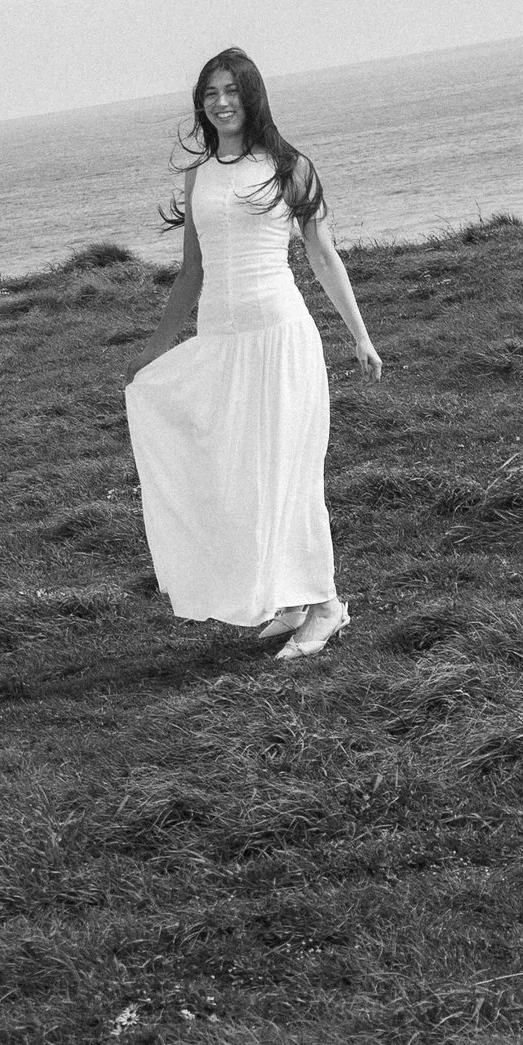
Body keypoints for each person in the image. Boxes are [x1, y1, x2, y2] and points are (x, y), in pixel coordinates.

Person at [127, 45, 381, 658]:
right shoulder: (200, 174)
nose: (221, 103)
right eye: (210, 93)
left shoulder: (290, 166)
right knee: (238, 470)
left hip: (281, 335)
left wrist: (360, 335)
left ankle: (325, 604)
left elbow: (322, 255)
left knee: (292, 469)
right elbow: (192, 271)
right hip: (221, 340)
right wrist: (157, 346)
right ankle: (289, 600)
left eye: (232, 91)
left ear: (252, 96)